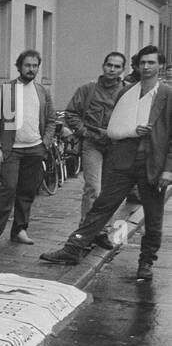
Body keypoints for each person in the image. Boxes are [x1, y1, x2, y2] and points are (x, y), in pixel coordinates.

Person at [41, 45, 172, 281]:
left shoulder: (167, 94)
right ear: (137, 65)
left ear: (160, 65)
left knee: (153, 218)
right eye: (142, 62)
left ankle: (146, 263)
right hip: (124, 162)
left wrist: (168, 170)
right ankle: (74, 248)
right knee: (101, 206)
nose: (146, 67)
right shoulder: (128, 92)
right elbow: (116, 128)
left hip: (152, 163)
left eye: (151, 62)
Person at [0, 49, 55, 245]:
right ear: (19, 67)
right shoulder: (5, 89)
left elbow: (51, 120)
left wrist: (45, 144)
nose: (31, 69)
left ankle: (20, 230)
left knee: (27, 190)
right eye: (27, 65)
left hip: (35, 148)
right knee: (9, 188)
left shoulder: (42, 91)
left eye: (34, 66)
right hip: (11, 149)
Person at [60, 52, 129, 248]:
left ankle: (103, 232)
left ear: (122, 70)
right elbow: (71, 113)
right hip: (93, 144)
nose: (112, 69)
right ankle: (85, 233)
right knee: (93, 188)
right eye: (109, 65)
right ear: (103, 65)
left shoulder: (126, 92)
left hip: (116, 146)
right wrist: (83, 131)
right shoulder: (88, 89)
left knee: (109, 192)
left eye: (117, 67)